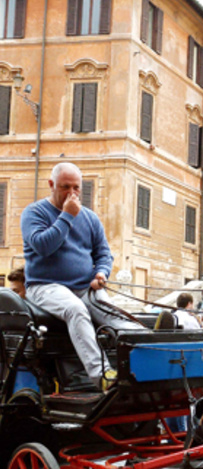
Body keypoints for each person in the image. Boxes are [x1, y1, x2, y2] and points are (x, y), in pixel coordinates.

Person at [20, 162, 143, 390]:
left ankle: (149, 364)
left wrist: (101, 273)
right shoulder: (34, 212)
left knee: (118, 317)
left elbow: (103, 253)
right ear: (51, 185)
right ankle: (103, 376)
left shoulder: (89, 217)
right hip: (45, 286)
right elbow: (43, 246)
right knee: (75, 309)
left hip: (85, 287)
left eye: (76, 187)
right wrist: (66, 216)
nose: (72, 193)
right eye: (65, 187)